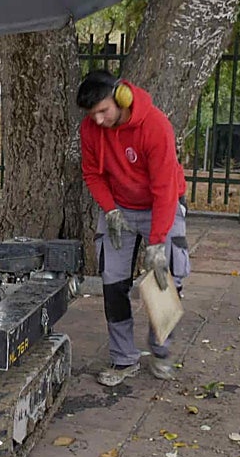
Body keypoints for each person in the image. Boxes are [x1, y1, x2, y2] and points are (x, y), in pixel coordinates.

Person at [76, 70, 191, 387]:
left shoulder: (155, 126)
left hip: (161, 205)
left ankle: (160, 351)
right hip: (120, 208)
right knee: (113, 283)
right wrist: (110, 210)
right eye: (92, 114)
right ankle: (123, 357)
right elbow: (92, 174)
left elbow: (165, 190)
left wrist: (156, 244)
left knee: (164, 281)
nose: (98, 120)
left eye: (103, 111)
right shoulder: (91, 129)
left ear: (121, 98)